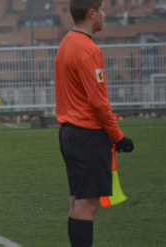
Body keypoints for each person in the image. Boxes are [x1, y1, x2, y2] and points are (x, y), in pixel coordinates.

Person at [54, 0, 134, 246]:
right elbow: (99, 103)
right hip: (87, 136)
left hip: (69, 134)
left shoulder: (66, 42)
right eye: (102, 10)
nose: (104, 14)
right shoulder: (89, 50)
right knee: (87, 206)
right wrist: (118, 136)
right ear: (91, 13)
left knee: (77, 202)